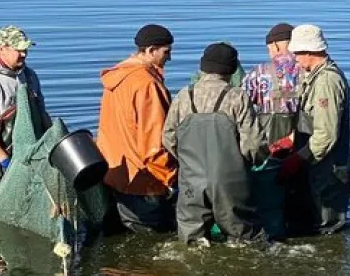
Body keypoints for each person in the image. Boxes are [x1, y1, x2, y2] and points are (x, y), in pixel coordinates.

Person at [163, 43, 266, 243]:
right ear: (232, 69)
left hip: (192, 179)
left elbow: (168, 137)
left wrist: (188, 160)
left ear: (203, 67)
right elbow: (253, 143)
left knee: (191, 241)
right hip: (230, 181)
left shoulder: (185, 96)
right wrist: (250, 163)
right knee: (243, 238)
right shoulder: (237, 97)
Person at [97, 24, 178, 232]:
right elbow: (154, 141)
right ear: (150, 51)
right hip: (145, 181)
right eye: (166, 52)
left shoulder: (115, 80)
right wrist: (170, 179)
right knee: (157, 240)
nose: (169, 58)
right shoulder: (146, 85)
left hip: (115, 173)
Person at [280, 24, 350, 235]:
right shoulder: (313, 78)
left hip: (329, 171)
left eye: (296, 54)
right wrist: (289, 140)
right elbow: (313, 122)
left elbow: (326, 134)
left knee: (326, 231)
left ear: (308, 52)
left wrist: (296, 159)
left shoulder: (326, 83)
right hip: (317, 166)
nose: (294, 59)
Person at [0, 25, 50, 203]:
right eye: (18, 49)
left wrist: (52, 139)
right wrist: (5, 161)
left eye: (25, 49)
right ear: (2, 49)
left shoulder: (29, 76)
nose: (23, 54)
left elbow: (42, 112)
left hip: (30, 144)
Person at [241, 22, 305, 147]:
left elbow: (241, 104)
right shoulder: (308, 70)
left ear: (275, 46)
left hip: (270, 143)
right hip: (304, 144)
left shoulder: (259, 73)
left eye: (268, 48)